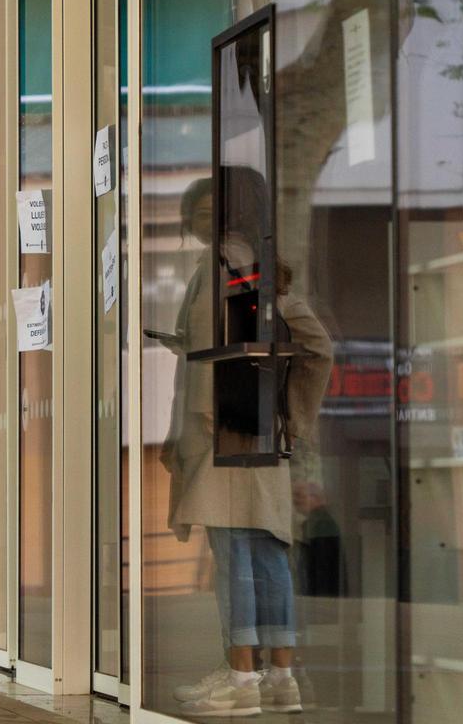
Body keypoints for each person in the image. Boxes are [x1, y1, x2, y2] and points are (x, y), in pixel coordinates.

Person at [159, 171, 332, 717]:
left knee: (234, 554)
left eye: (207, 208)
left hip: (222, 435)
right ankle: (280, 675)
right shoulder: (266, 268)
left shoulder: (220, 267)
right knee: (268, 550)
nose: (197, 220)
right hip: (259, 430)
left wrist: (206, 415)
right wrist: (290, 414)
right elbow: (316, 347)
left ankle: (240, 676)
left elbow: (213, 351)